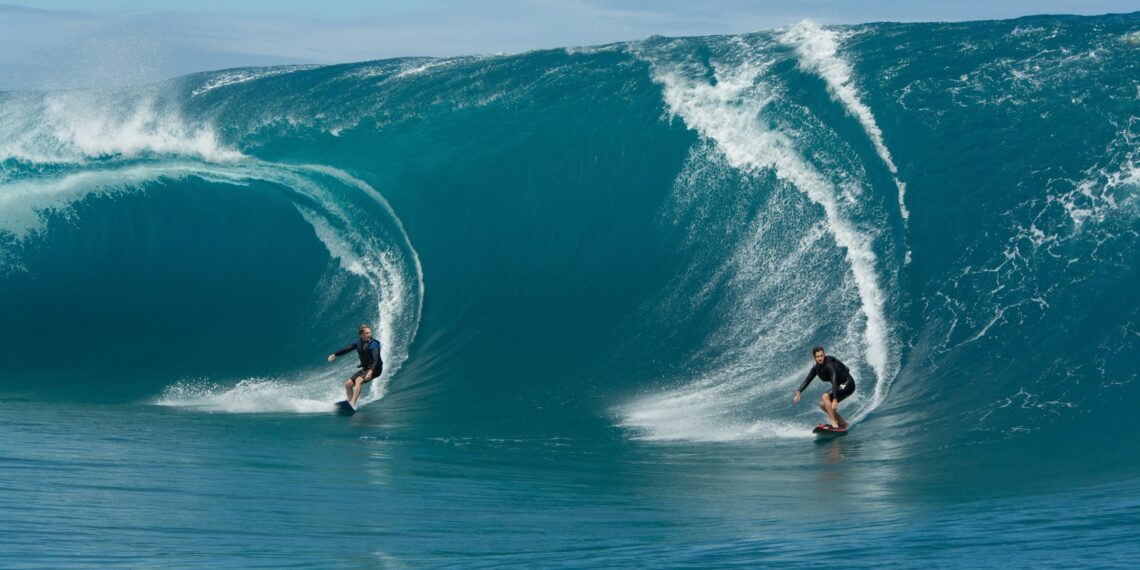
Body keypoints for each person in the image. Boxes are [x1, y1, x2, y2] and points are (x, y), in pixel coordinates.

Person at [792, 346, 855, 429]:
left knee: (825, 397)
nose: (820, 358)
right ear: (814, 357)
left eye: (821, 356)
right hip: (839, 386)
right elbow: (807, 380)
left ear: (824, 354)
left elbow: (834, 380)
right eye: (817, 357)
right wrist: (799, 392)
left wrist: (835, 399)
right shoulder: (816, 368)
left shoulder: (829, 365)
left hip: (848, 384)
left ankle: (834, 423)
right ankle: (843, 422)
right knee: (823, 405)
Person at [327, 323, 383, 408]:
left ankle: (353, 403)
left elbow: (376, 359)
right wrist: (335, 354)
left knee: (358, 380)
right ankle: (349, 403)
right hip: (366, 368)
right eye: (367, 333)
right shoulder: (358, 342)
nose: (369, 335)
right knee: (347, 385)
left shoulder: (374, 344)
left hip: (376, 369)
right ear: (361, 334)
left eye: (370, 333)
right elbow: (347, 349)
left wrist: (370, 372)